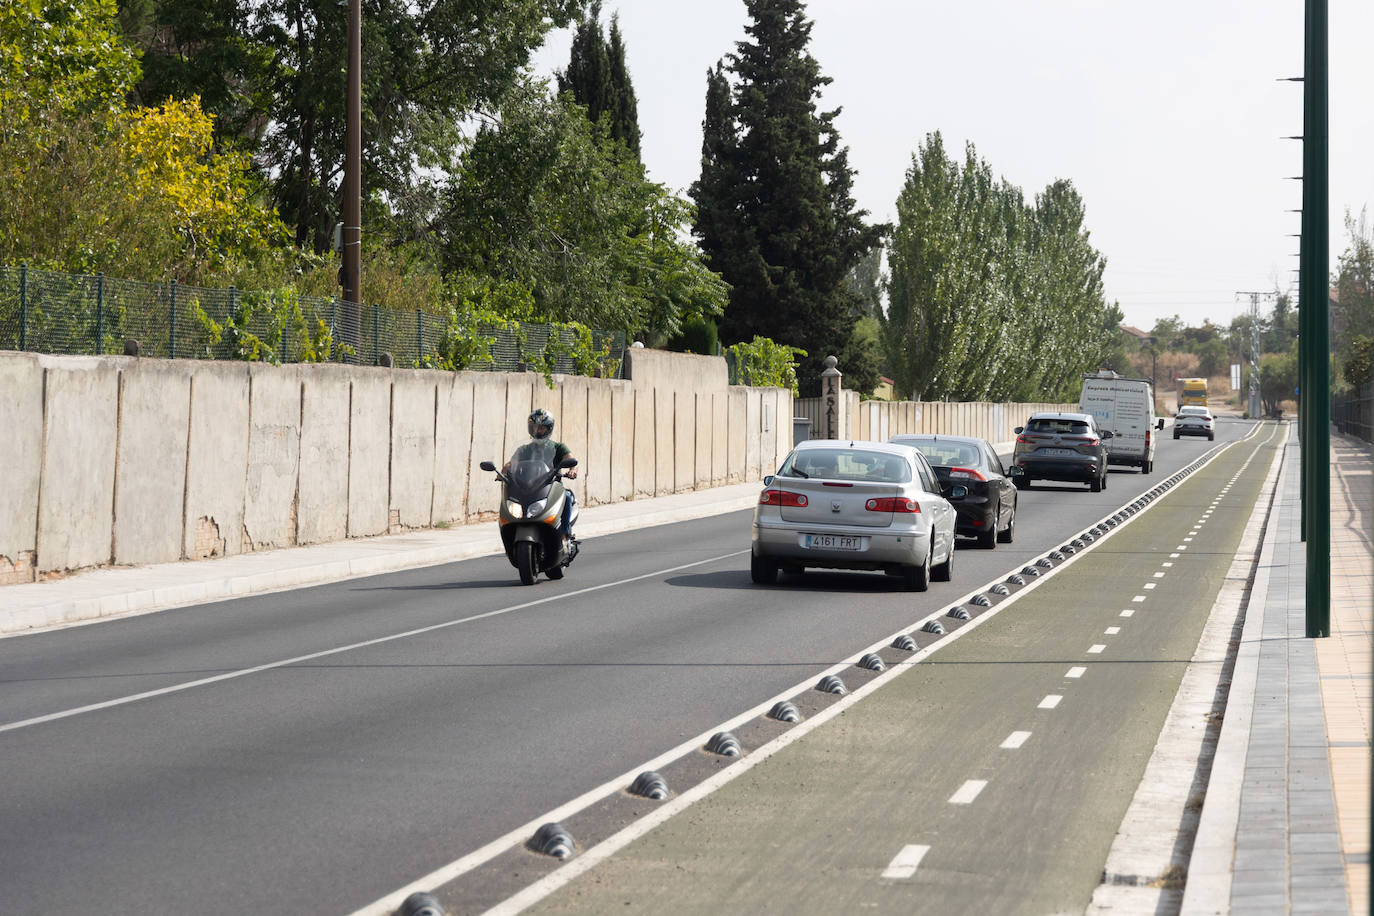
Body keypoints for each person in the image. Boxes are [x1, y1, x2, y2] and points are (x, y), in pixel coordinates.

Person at [527, 408, 578, 542]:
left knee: (566, 497)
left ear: (549, 428)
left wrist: (572, 470)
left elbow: (572, 460)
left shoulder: (558, 447)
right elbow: (511, 463)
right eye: (535, 427)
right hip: (531, 488)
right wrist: (503, 472)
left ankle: (564, 535)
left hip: (552, 488)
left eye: (542, 428)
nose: (538, 430)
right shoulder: (526, 449)